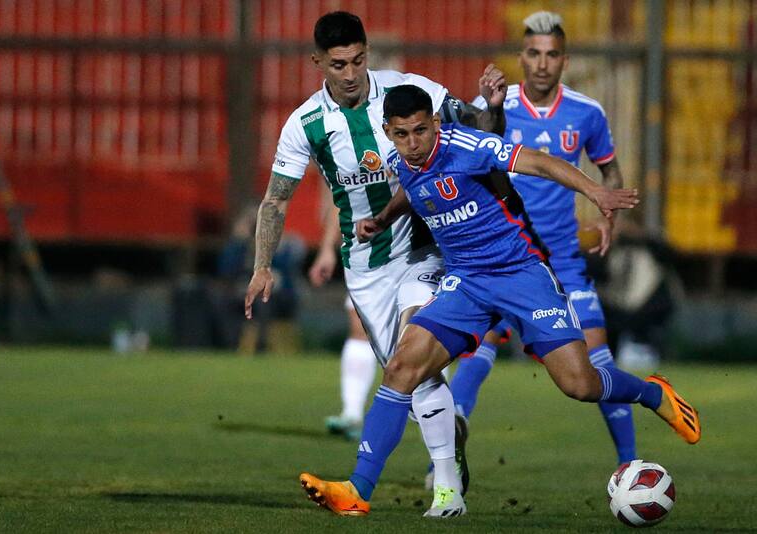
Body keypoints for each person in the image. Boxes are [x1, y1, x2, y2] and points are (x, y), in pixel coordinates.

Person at [297, 84, 700, 518]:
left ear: (435, 123)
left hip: (521, 274)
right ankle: (357, 490)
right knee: (401, 366)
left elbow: (540, 162)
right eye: (401, 134)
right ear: (388, 131)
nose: (412, 144)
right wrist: (381, 220)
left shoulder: (466, 146)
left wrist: (594, 192)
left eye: (420, 131)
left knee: (580, 384)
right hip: (466, 281)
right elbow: (413, 190)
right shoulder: (402, 160)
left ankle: (650, 392)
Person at [243, 11, 507, 517]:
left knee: (417, 355)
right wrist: (262, 266)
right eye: (338, 63)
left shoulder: (407, 89)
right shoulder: (305, 124)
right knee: (412, 380)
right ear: (318, 61)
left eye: (359, 60)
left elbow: (477, 127)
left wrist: (492, 106)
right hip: (365, 267)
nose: (350, 73)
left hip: (424, 249)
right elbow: (276, 202)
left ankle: (446, 492)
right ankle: (451, 452)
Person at [449, 11, 639, 466]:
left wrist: (607, 209)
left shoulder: (586, 113)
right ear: (521, 57)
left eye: (551, 55)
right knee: (479, 343)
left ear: (564, 60)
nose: (541, 64)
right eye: (533, 53)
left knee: (598, 360)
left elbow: (608, 168)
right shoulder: (496, 105)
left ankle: (630, 465)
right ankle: (452, 432)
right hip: (501, 254)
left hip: (562, 261)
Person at [307, 189, 376, 441]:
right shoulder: (349, 155)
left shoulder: (409, 151)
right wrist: (327, 248)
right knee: (359, 328)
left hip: (413, 253)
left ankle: (439, 417)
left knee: (419, 334)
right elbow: (343, 197)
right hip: (368, 252)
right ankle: (352, 413)